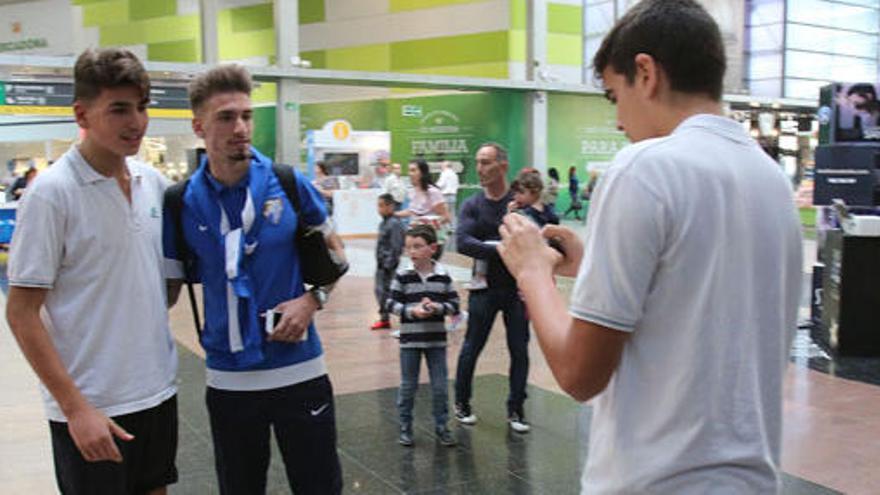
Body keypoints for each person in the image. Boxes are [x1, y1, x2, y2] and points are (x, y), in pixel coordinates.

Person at [497, 1, 803, 492]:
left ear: (646, 73)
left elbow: (580, 374)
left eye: (614, 96)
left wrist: (533, 272)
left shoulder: (644, 167)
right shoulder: (770, 179)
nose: (618, 120)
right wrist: (590, 266)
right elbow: (700, 293)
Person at [163, 64, 345, 494]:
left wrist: (310, 301)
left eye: (246, 115)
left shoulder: (287, 182)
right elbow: (165, 293)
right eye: (226, 117)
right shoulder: (179, 203)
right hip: (228, 379)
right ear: (198, 126)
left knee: (320, 487)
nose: (240, 127)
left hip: (300, 369)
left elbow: (335, 255)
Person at [6, 48, 179, 495]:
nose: (136, 122)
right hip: (92, 406)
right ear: (81, 113)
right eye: (119, 109)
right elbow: (21, 313)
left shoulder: (152, 184)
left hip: (156, 392)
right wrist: (75, 408)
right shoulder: (51, 194)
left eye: (142, 107)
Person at [453, 142, 531, 434]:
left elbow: (534, 239)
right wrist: (502, 249)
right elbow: (463, 242)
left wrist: (487, 246)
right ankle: (461, 402)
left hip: (517, 289)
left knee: (519, 350)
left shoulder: (519, 203)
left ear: (502, 165)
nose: (480, 168)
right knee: (472, 346)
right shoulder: (472, 204)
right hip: (483, 288)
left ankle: (516, 409)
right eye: (478, 161)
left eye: (485, 162)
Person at [387, 224, 460, 447]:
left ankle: (442, 426)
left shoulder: (443, 277)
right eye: (409, 247)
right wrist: (411, 312)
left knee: (440, 387)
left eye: (418, 246)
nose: (412, 252)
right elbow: (391, 303)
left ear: (432, 248)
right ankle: (405, 426)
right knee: (408, 386)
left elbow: (455, 305)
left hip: (436, 341)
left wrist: (437, 308)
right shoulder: (403, 276)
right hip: (410, 341)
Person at [395, 159, 450, 259]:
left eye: (413, 170)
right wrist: (394, 214)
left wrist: (424, 223)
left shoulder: (433, 192)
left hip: (431, 241)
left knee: (429, 271)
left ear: (422, 173)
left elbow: (445, 217)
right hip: (416, 240)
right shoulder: (412, 191)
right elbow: (412, 211)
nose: (410, 174)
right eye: (409, 170)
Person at [372, 193, 406, 330]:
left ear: (390, 206)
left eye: (382, 206)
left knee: (390, 292)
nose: (379, 209)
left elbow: (396, 246)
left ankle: (404, 315)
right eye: (378, 206)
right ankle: (384, 318)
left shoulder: (395, 224)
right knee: (380, 291)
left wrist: (388, 264)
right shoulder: (383, 223)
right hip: (381, 264)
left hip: (388, 266)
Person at [435, 160, 460, 226]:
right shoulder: (455, 174)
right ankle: (454, 229)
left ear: (445, 166)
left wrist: (433, 186)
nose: (441, 167)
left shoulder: (444, 173)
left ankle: (447, 231)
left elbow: (441, 184)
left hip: (445, 196)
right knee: (452, 213)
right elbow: (457, 185)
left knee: (444, 214)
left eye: (442, 166)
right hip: (453, 196)